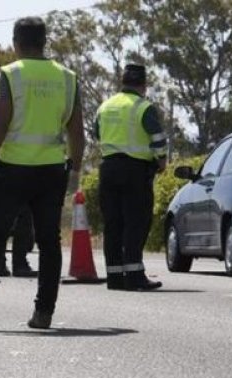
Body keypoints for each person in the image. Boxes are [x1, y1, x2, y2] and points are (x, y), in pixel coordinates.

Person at [0, 16, 85, 329]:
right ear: (44, 42)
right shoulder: (67, 77)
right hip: (50, 171)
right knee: (49, 242)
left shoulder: (11, 74)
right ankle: (44, 312)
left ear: (15, 43)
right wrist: (75, 168)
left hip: (13, 170)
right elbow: (77, 129)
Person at [93, 64, 168, 291]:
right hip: (135, 171)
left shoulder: (104, 107)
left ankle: (115, 277)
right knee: (136, 222)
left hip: (108, 168)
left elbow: (97, 134)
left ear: (122, 81)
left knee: (113, 224)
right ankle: (135, 275)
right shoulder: (143, 107)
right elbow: (157, 138)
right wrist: (161, 160)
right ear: (143, 85)